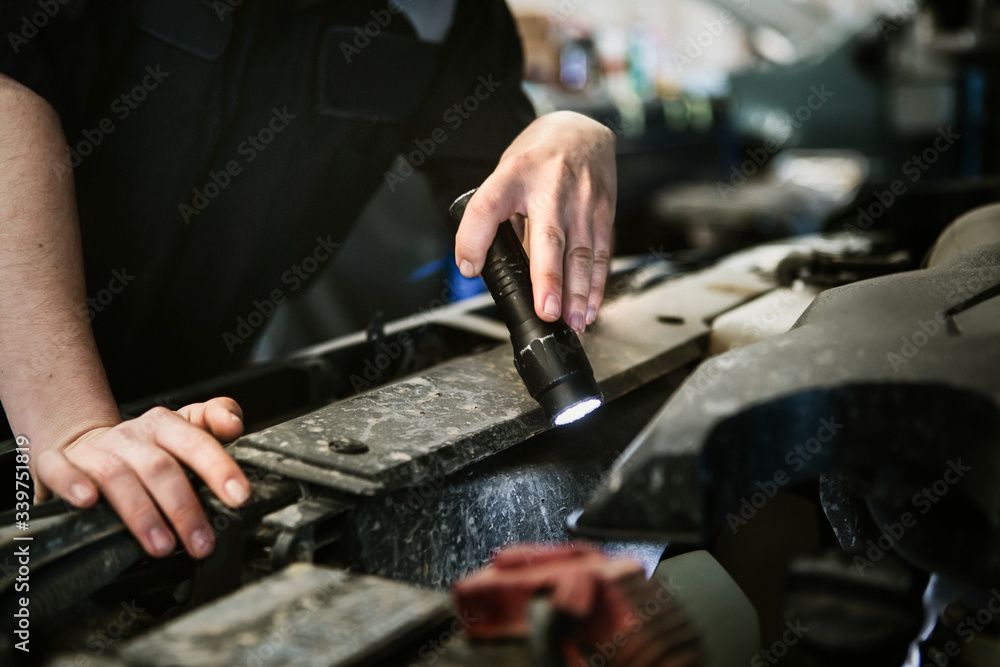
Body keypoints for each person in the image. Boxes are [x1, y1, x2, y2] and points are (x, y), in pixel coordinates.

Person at [0, 0, 615, 559]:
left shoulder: (451, 16)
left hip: (184, 415)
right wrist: (71, 425)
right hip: (35, 403)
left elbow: (495, 185)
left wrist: (561, 133)